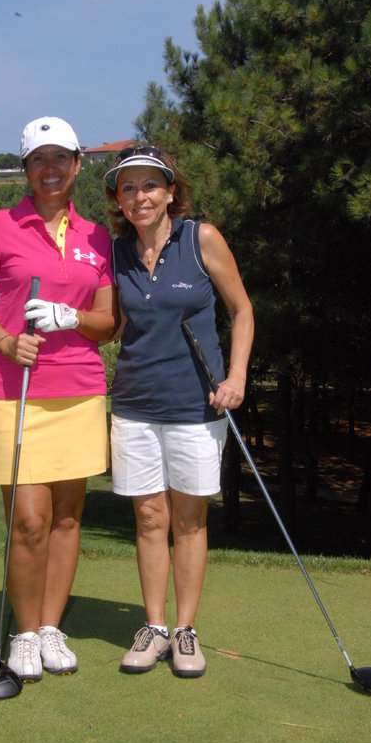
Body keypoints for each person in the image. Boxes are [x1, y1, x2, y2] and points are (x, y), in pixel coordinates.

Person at [0, 117, 118, 683]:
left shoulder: (97, 237)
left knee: (67, 517)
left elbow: (108, 323)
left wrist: (72, 317)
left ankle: (51, 627)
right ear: (26, 168)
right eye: (38, 159)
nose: (50, 169)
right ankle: (24, 633)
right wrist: (6, 341)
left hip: (78, 390)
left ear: (77, 165)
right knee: (29, 520)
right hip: (14, 391)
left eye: (60, 158)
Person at [104, 145, 254, 677]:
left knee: (189, 521)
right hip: (135, 406)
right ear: (118, 200)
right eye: (128, 188)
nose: (139, 196)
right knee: (149, 518)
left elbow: (241, 310)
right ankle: (154, 627)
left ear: (171, 191)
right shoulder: (116, 253)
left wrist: (237, 377)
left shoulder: (200, 238)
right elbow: (114, 324)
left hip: (196, 404)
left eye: (150, 185)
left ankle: (185, 630)